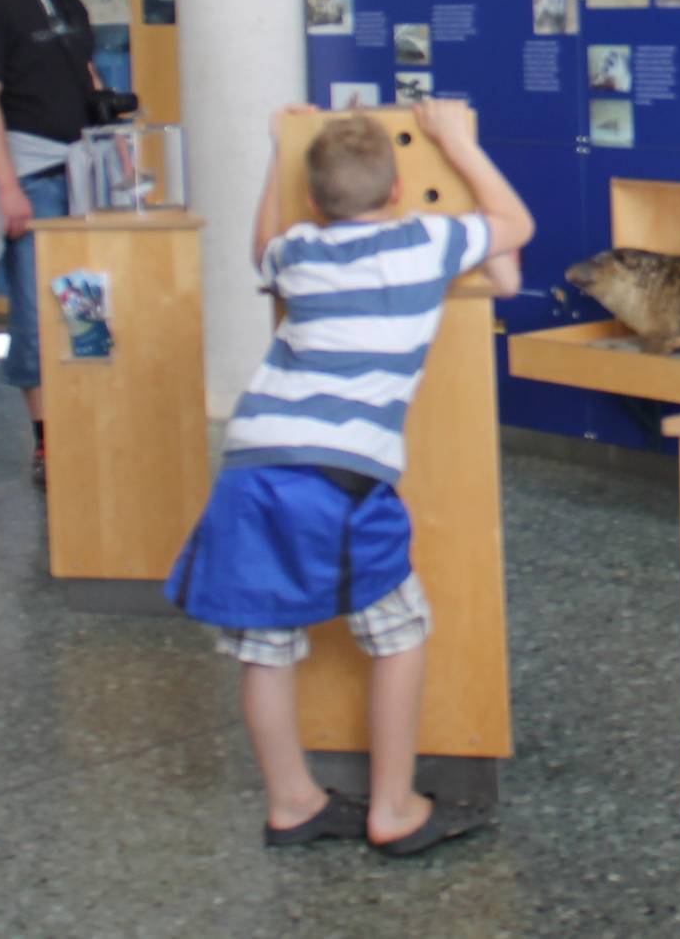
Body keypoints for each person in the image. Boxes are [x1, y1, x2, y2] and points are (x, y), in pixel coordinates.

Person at [165, 101, 535, 858]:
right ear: (398, 191)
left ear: (312, 200)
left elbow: (259, 244)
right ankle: (393, 807)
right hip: (340, 477)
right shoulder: (425, 241)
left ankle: (292, 801)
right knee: (399, 636)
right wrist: (459, 143)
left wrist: (279, 147)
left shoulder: (298, 250)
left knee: (265, 648)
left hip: (252, 461)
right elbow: (513, 226)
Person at [0, 0, 112, 486]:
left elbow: (87, 76)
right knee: (37, 315)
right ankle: (46, 440)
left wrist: (118, 133)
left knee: (85, 303)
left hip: (81, 172)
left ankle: (85, 418)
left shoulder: (72, 7)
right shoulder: (1, 3)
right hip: (31, 179)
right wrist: (7, 188)